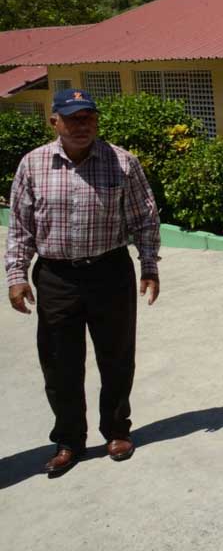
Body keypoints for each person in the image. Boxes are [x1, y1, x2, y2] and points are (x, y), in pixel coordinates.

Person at [6, 88, 160, 478]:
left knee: (117, 357)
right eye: (72, 118)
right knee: (60, 366)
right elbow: (20, 227)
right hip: (56, 276)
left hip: (110, 272)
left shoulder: (122, 162)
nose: (81, 125)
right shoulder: (33, 164)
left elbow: (145, 217)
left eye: (87, 117)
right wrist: (16, 275)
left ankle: (117, 430)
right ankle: (69, 441)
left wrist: (149, 265)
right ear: (54, 121)